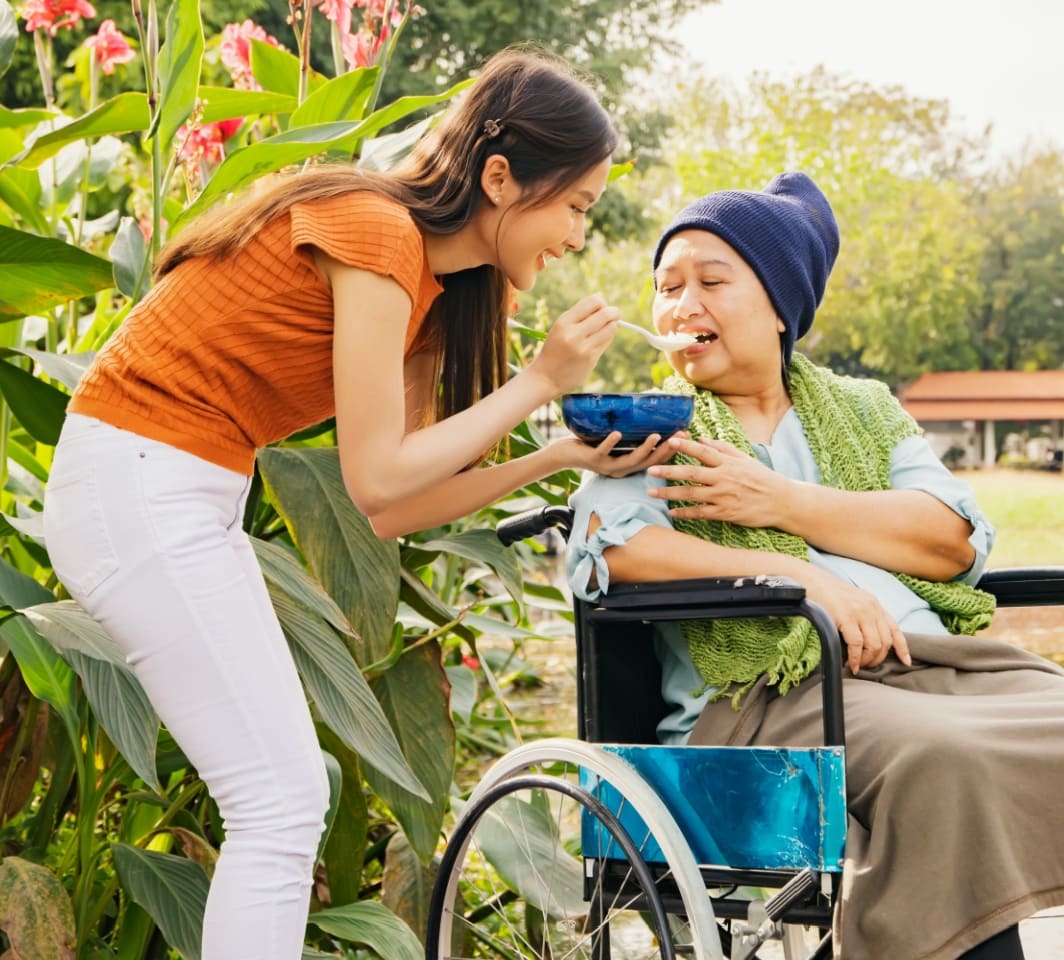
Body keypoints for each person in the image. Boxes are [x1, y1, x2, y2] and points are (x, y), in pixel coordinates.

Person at [42, 48, 674, 960]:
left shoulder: (429, 293)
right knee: (281, 800)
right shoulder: (378, 234)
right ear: (501, 178)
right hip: (138, 479)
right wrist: (539, 382)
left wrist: (555, 456)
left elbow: (387, 510)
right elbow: (379, 475)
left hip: (176, 489)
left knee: (284, 797)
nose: (579, 234)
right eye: (576, 204)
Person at [565, 171, 1064, 960]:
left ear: (778, 307)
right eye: (666, 287)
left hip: (931, 667)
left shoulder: (864, 410)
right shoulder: (653, 425)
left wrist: (778, 501)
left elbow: (951, 542)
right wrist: (800, 578)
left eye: (711, 281)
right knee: (946, 763)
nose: (681, 304)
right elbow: (614, 547)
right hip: (773, 697)